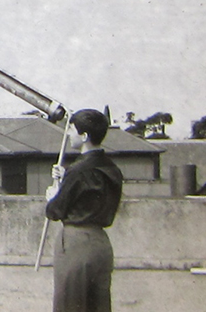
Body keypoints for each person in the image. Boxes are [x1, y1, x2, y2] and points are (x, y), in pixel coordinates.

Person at [45, 109, 123, 312]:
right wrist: (66, 179)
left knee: (70, 306)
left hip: (75, 244)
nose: (69, 133)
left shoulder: (78, 170)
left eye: (71, 129)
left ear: (84, 136)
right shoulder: (112, 169)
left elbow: (55, 211)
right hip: (101, 245)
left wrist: (54, 194)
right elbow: (90, 192)